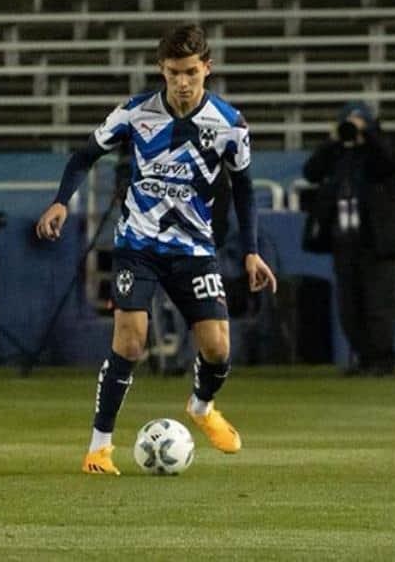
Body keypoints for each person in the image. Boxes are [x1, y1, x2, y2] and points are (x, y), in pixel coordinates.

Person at [35, 24, 277, 475]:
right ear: (160, 71)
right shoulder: (134, 113)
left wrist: (251, 250)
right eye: (172, 73)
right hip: (137, 246)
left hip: (195, 250)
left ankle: (201, 407)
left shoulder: (229, 124)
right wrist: (59, 202)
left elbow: (243, 188)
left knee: (218, 348)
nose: (182, 83)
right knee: (130, 340)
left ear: (208, 68)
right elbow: (84, 155)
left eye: (190, 72)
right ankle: (99, 448)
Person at [303, 102, 395, 376]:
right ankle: (363, 358)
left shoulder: (384, 150)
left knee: (379, 306)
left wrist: (369, 135)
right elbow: (311, 172)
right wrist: (333, 141)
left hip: (379, 243)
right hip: (344, 242)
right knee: (350, 307)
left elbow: (389, 163)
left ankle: (382, 361)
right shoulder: (339, 154)